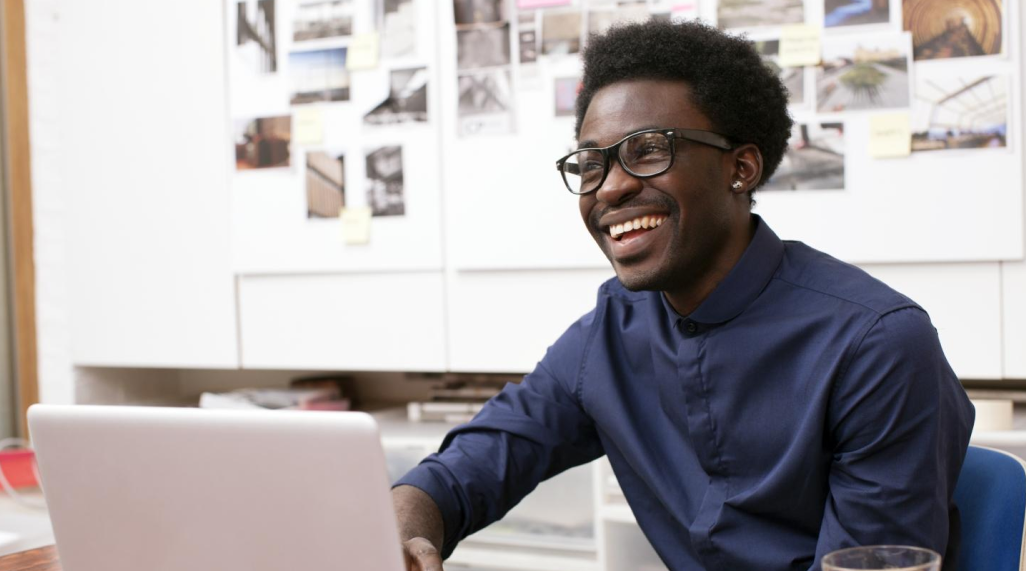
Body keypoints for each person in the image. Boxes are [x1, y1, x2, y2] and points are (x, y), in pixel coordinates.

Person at [393, 19, 974, 571]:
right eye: (592, 164)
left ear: (740, 169)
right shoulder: (610, 331)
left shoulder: (877, 344)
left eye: (647, 150)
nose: (612, 187)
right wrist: (406, 527)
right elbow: (474, 464)